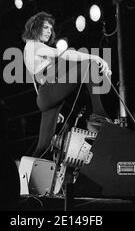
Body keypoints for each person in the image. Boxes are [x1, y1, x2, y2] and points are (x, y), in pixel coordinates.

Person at [22, 11, 112, 158]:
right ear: (35, 27)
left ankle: (25, 177)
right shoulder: (34, 45)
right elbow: (67, 54)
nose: (49, 31)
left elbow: (36, 79)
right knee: (87, 66)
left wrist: (48, 102)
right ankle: (98, 114)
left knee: (43, 146)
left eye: (50, 29)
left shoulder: (30, 48)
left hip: (45, 95)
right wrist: (95, 57)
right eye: (45, 27)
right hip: (48, 93)